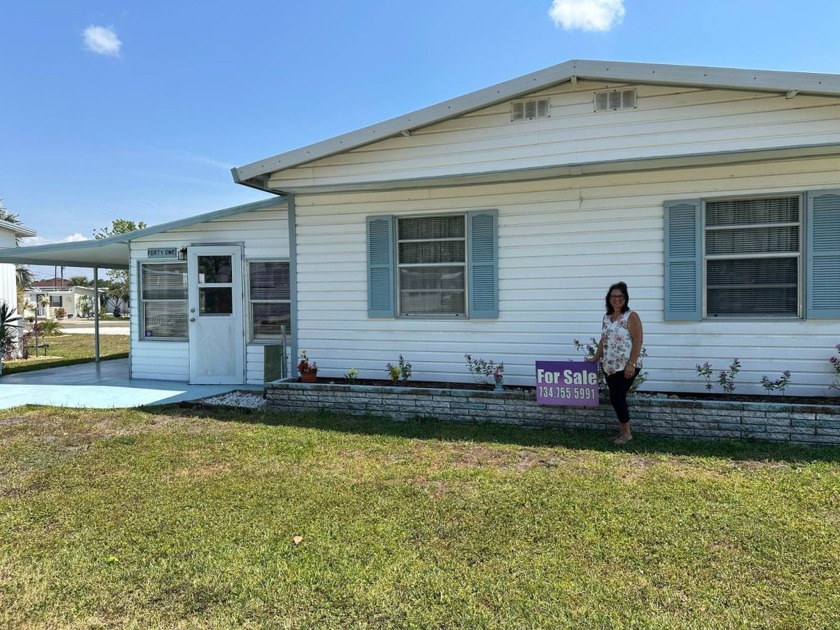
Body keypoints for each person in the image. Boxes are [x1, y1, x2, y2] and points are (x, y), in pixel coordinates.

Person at [585, 281, 643, 445]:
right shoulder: (607, 318)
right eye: (614, 296)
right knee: (617, 398)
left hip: (627, 366)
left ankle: (627, 433)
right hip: (609, 366)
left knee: (617, 397)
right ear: (609, 298)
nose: (617, 299)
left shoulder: (631, 316)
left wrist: (631, 363)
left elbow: (638, 340)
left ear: (625, 298)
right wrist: (596, 358)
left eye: (620, 296)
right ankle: (622, 431)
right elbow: (603, 340)